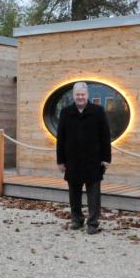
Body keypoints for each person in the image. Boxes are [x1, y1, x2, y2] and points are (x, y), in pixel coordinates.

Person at [56, 82, 111, 235]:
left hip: (94, 160)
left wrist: (106, 158)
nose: (80, 97)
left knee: (94, 195)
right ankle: (77, 219)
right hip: (72, 161)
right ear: (73, 96)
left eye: (83, 94)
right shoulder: (65, 112)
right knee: (74, 193)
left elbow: (105, 136)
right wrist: (60, 160)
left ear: (87, 95)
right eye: (77, 95)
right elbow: (60, 138)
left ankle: (93, 223)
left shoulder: (98, 111)